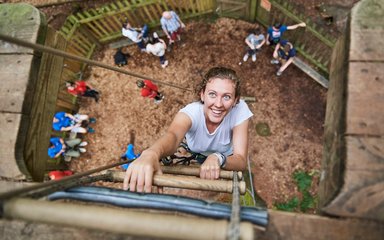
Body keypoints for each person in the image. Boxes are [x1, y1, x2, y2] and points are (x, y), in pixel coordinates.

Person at [124, 67, 253, 193]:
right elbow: (173, 135)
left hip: (225, 158)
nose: (218, 104)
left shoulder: (240, 110)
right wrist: (152, 152)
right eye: (212, 94)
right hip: (200, 154)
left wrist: (219, 158)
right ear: (202, 95)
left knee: (214, 174)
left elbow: (240, 160)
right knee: (204, 167)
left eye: (227, 97)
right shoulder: (191, 112)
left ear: (236, 100)